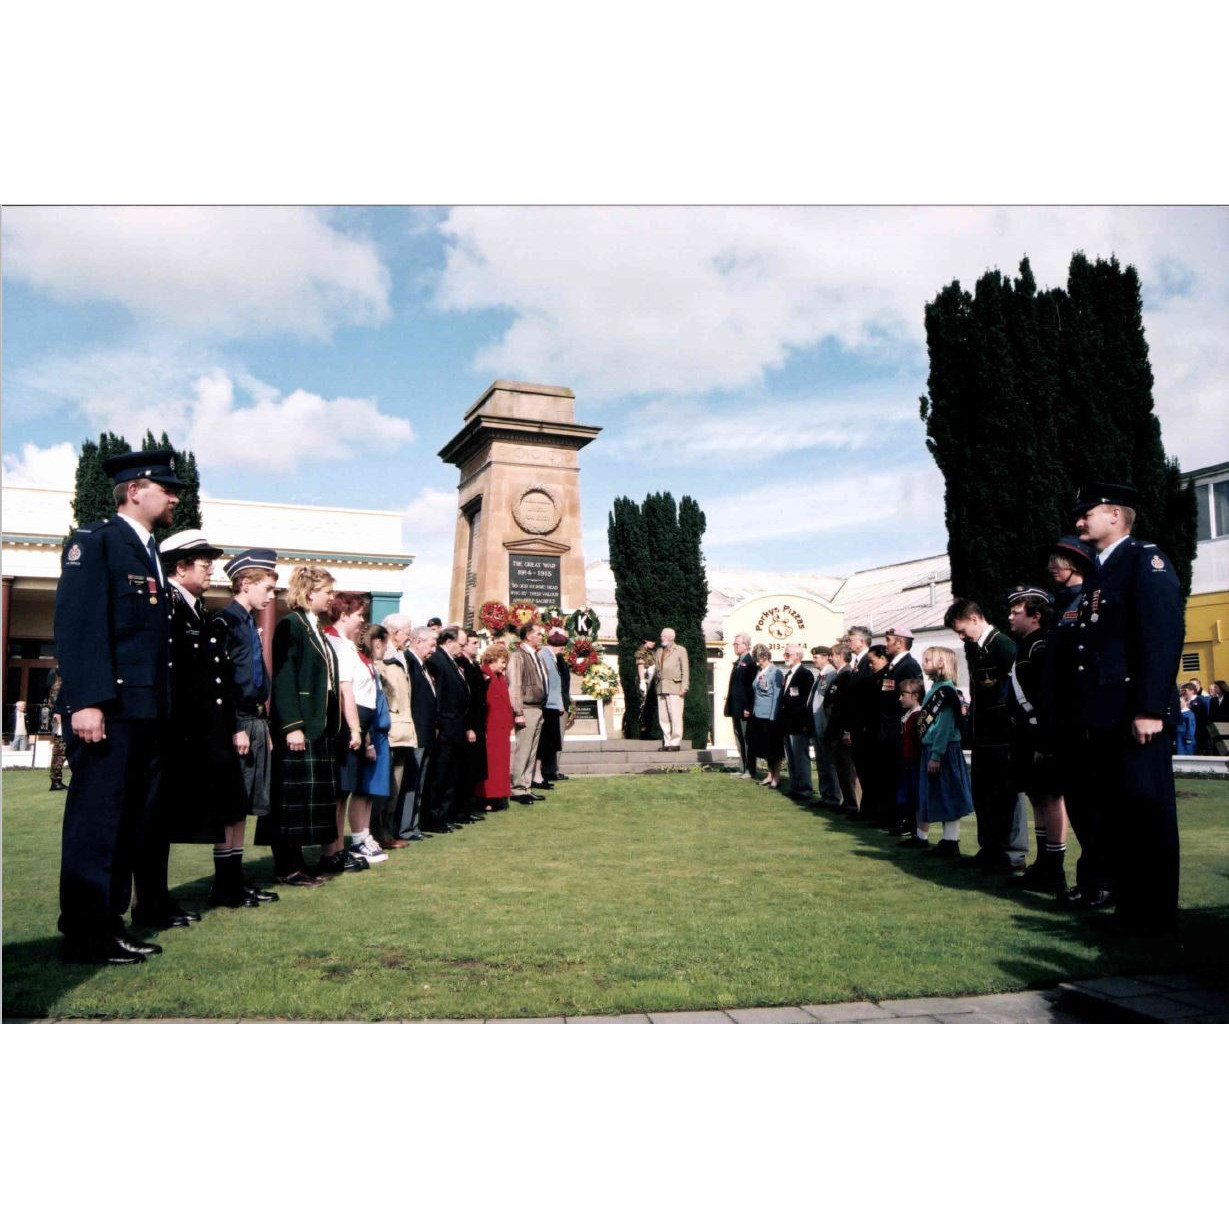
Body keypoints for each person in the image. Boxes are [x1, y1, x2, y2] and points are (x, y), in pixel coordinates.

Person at [54, 447, 184, 964]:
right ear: (135, 490)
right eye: (166, 489)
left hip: (146, 712)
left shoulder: (147, 549)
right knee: (98, 823)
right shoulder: (97, 543)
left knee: (131, 821)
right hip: (110, 710)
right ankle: (86, 932)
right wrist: (86, 701)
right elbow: (79, 627)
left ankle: (109, 924)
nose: (175, 497)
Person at [1067, 481, 1184, 934]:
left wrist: (1150, 708)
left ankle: (1153, 916)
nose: (1079, 522)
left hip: (1137, 715)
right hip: (1106, 716)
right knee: (1119, 816)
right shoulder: (1100, 570)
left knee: (1147, 814)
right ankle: (1130, 909)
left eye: (1087, 513)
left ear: (1115, 515)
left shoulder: (1143, 561)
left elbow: (1161, 637)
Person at [157, 529, 249, 920]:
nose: (210, 569)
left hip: (209, 730)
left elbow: (218, 678)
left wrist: (230, 725)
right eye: (203, 563)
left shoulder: (198, 610)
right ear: (179, 568)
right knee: (161, 819)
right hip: (185, 732)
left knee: (230, 804)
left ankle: (228, 885)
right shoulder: (168, 605)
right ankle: (153, 900)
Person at [211, 547, 282, 904]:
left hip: (253, 719)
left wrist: (262, 725)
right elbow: (221, 681)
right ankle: (224, 884)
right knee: (231, 805)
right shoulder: (226, 622)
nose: (271, 596)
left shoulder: (247, 623)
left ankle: (234, 880)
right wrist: (235, 726)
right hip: (236, 720)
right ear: (244, 582)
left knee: (245, 804)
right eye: (267, 588)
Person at [266, 565, 342, 887]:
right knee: (290, 801)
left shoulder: (316, 627)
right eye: (328, 592)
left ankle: (299, 863)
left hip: (319, 725)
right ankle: (287, 867)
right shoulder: (290, 625)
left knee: (308, 799)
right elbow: (283, 679)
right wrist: (292, 726)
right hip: (300, 726)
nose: (332, 597)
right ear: (311, 593)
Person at [944, 598, 1028, 871]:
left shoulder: (1002, 646)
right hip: (983, 736)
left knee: (1007, 795)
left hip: (1003, 736)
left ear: (975, 619)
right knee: (984, 794)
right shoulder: (976, 648)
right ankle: (989, 848)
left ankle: (1013, 853)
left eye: (962, 630)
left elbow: (1018, 688)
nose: (961, 637)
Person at [1005, 585, 1068, 892]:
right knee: (1036, 796)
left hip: (1043, 732)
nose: (1010, 617)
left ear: (1036, 615)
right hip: (1026, 734)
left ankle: (1054, 867)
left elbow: (1049, 696)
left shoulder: (1042, 645)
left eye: (1016, 612)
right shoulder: (1026, 644)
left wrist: (1047, 741)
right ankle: (1043, 862)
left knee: (1052, 798)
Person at [323, 593, 389, 866]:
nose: (362, 620)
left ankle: (338, 849)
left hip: (360, 720)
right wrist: (355, 729)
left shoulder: (348, 646)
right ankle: (332, 851)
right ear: (344, 614)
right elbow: (344, 690)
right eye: (359, 614)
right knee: (339, 791)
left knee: (345, 791)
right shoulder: (334, 642)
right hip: (345, 721)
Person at [909, 646, 973, 857]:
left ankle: (951, 841)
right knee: (939, 794)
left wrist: (936, 755)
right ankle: (947, 841)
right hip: (934, 748)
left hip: (943, 750)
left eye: (927, 659)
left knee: (949, 794)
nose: (923, 663)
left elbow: (945, 725)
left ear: (941, 663)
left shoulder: (946, 691)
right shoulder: (936, 688)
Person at [372, 613, 416, 849]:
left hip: (402, 731)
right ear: (395, 633)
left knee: (395, 785)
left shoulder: (399, 656)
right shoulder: (383, 659)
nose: (408, 636)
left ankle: (387, 832)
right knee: (385, 786)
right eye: (406, 632)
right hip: (390, 731)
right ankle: (378, 833)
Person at [425, 625, 473, 830]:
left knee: (450, 775)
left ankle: (444, 816)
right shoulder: (437, 660)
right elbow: (439, 696)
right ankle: (433, 818)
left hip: (455, 727)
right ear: (448, 641)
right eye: (460, 645)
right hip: (445, 727)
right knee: (440, 775)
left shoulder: (452, 661)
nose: (462, 649)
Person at [877, 627, 925, 833]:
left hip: (900, 727)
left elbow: (914, 696)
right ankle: (893, 817)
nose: (885, 644)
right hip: (888, 727)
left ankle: (905, 821)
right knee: (890, 775)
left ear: (900, 642)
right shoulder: (892, 667)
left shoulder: (909, 666)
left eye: (889, 640)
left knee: (900, 776)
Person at [506, 622, 548, 805]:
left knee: (532, 751)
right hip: (526, 708)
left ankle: (526, 786)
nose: (541, 636)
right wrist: (518, 711)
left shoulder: (536, 655)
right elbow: (514, 685)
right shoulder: (518, 656)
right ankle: (517, 788)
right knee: (523, 749)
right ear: (528, 635)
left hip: (538, 708)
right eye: (538, 633)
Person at [475, 642, 514, 811]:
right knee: (491, 765)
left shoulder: (500, 677)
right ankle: (487, 798)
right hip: (490, 728)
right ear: (492, 659)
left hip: (500, 728)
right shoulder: (485, 675)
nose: (503, 665)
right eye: (502, 661)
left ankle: (498, 795)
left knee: (500, 765)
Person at [824, 643, 861, 814]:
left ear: (840, 656)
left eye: (832, 655)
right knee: (840, 768)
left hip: (841, 729)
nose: (830, 658)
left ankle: (852, 804)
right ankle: (847, 802)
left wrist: (847, 730)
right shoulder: (839, 675)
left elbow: (847, 706)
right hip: (834, 729)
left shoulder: (846, 675)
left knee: (847, 770)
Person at [777, 643, 815, 798]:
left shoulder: (805, 674)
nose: (785, 657)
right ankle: (795, 787)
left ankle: (805, 789)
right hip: (787, 724)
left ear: (798, 656)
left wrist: (805, 723)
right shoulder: (788, 675)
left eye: (788, 654)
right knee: (791, 758)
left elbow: (807, 702)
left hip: (798, 724)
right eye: (785, 654)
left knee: (800, 758)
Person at [807, 645, 842, 807]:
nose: (814, 660)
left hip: (823, 724)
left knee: (829, 763)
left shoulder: (830, 675)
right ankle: (825, 795)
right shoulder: (821, 675)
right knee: (821, 762)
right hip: (816, 724)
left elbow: (826, 703)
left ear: (826, 657)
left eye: (816, 657)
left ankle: (833, 797)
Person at [534, 628, 567, 789]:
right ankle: (537, 775)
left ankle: (539, 774)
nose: (563, 650)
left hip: (552, 705)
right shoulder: (545, 656)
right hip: (547, 705)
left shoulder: (551, 657)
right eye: (562, 647)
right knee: (543, 743)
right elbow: (546, 683)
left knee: (548, 743)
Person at [748, 645, 784, 788]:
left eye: (760, 659)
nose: (758, 662)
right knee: (766, 748)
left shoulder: (776, 672)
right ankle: (769, 775)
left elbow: (777, 695)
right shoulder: (760, 671)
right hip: (759, 715)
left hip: (770, 716)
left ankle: (777, 777)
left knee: (774, 749)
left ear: (766, 658)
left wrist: (773, 716)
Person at [895, 678, 925, 846]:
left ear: (915, 696)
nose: (900, 698)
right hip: (906, 761)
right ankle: (910, 827)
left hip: (914, 761)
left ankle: (918, 832)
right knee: (906, 796)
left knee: (915, 797)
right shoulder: (907, 716)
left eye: (904, 694)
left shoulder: (917, 715)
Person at [724, 633, 756, 778]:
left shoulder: (750, 663)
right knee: (738, 738)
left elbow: (750, 688)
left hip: (744, 709)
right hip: (735, 707)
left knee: (747, 739)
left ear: (746, 645)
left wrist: (748, 707)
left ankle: (750, 769)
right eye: (734, 644)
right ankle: (742, 767)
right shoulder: (738, 662)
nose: (735, 647)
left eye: (738, 644)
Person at [654, 628, 689, 750]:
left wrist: (684, 686)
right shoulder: (659, 651)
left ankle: (675, 742)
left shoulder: (680, 650)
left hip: (675, 687)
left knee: (675, 716)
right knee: (663, 717)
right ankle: (667, 742)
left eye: (664, 636)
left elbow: (685, 669)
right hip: (661, 687)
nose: (661, 638)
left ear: (671, 637)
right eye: (661, 636)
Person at [46, 670, 67, 790]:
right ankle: (56, 780)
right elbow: (54, 703)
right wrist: (57, 713)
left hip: (62, 721)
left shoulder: (58, 684)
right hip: (61, 723)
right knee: (60, 751)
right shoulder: (58, 685)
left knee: (61, 751)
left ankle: (56, 779)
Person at [1175, 688, 1196, 756]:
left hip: (1185, 737)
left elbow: (1191, 727)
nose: (1179, 704)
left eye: (1180, 702)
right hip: (1178, 736)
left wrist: (1189, 737)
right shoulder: (1178, 713)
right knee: (1179, 752)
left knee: (1186, 752)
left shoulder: (1189, 714)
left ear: (1186, 702)